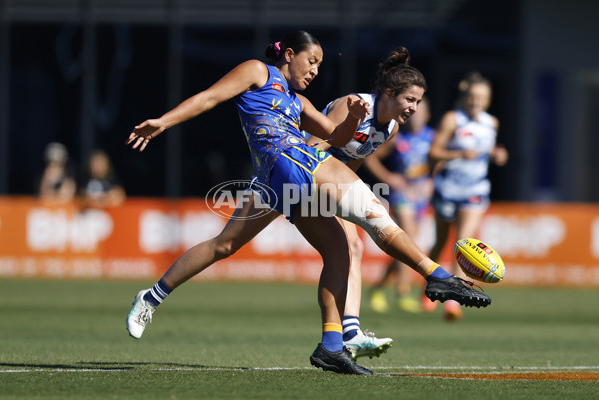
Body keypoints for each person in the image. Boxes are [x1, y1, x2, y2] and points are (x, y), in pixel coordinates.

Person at [125, 31, 491, 375]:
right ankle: (436, 276)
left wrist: (353, 121)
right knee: (365, 217)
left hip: (287, 177)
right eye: (311, 61)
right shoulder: (258, 71)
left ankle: (332, 344)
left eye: (319, 65)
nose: (315, 70)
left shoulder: (300, 102)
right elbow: (209, 97)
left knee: (339, 251)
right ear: (288, 54)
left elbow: (337, 137)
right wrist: (164, 121)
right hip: (293, 165)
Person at [424, 71, 508, 321]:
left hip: (475, 189)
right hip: (448, 187)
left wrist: (497, 154)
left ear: (488, 100)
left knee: (464, 243)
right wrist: (459, 154)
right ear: (465, 97)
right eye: (472, 97)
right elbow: (433, 153)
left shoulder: (491, 123)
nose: (476, 102)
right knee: (440, 243)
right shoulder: (453, 119)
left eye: (481, 98)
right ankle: (428, 284)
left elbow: (486, 148)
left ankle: (454, 300)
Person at [363, 97, 435, 314]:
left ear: (428, 115)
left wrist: (432, 180)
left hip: (421, 197)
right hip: (402, 194)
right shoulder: (396, 137)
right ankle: (403, 291)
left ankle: (379, 286)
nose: (417, 116)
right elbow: (370, 157)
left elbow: (440, 162)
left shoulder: (432, 138)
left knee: (406, 244)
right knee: (409, 236)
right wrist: (388, 177)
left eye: (421, 112)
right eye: (414, 112)